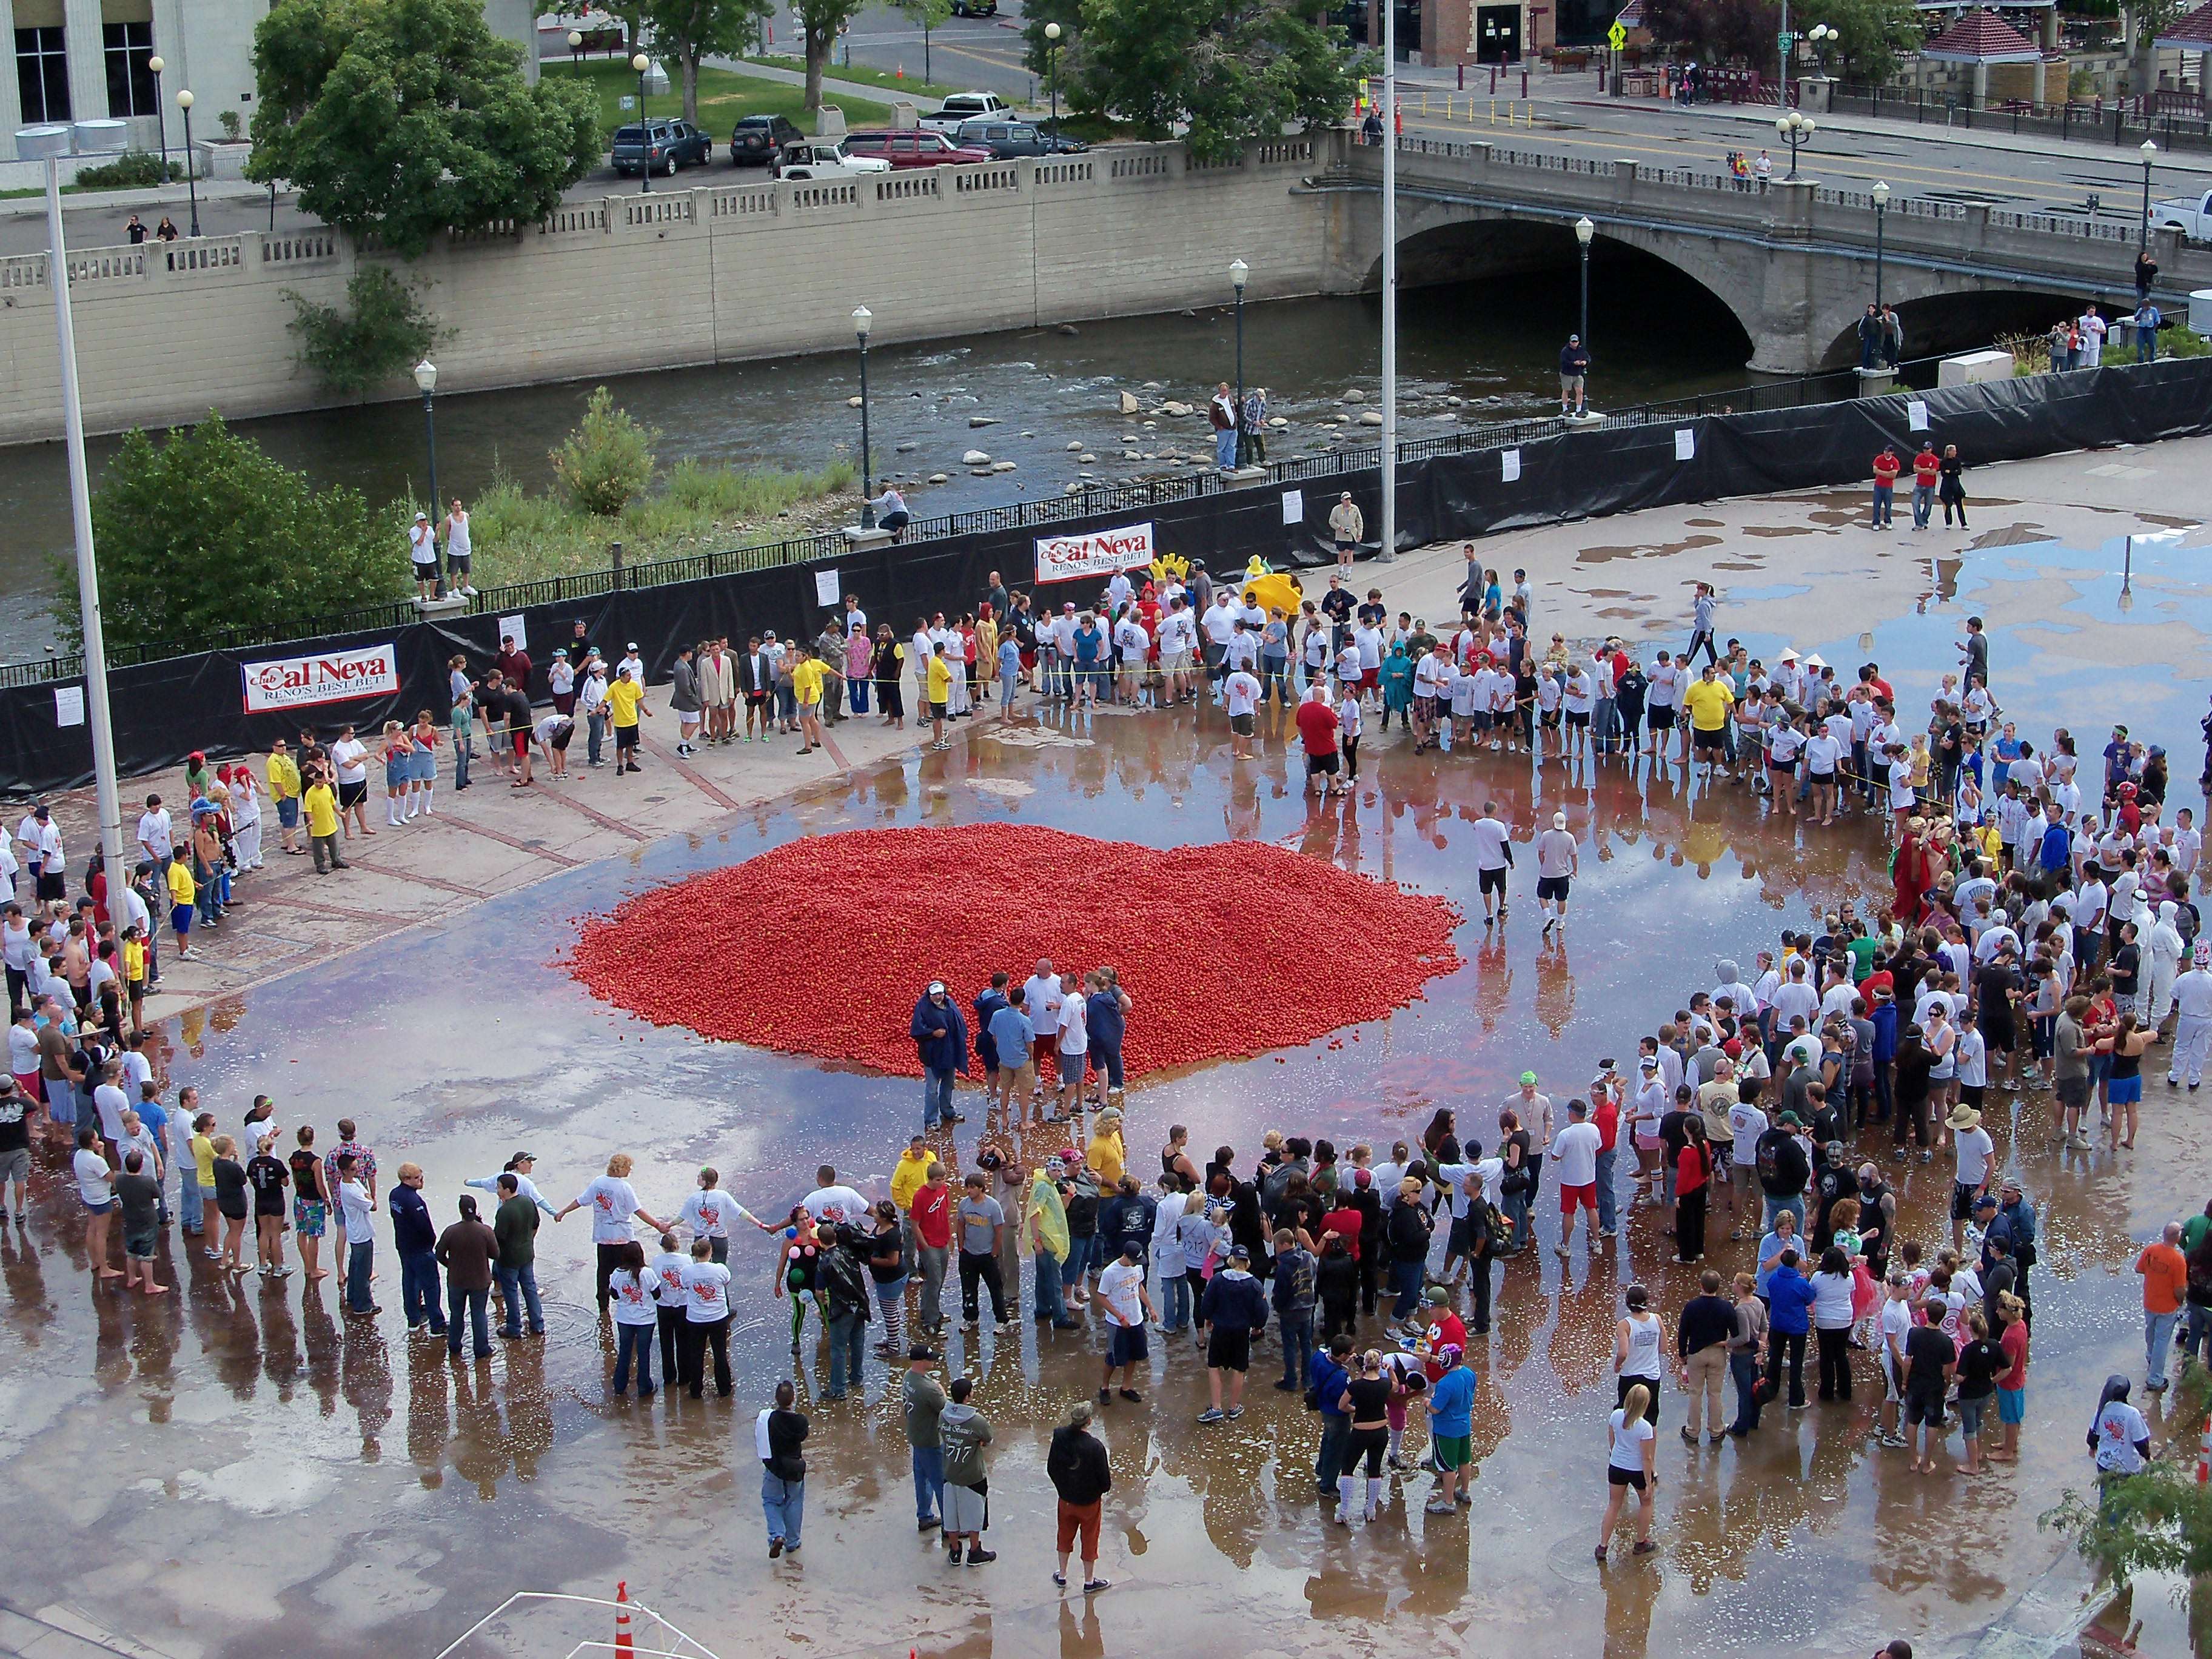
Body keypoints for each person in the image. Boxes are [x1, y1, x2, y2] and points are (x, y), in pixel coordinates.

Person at [1047, 1398, 1113, 1593]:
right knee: (1090, 1538)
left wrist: (1062, 1488)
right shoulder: (1095, 1447)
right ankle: (1089, 1581)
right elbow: (1105, 1482)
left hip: (1065, 1500)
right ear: (1089, 1421)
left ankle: (1062, 1575)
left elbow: (1051, 1468)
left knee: (1065, 1535)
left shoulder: (1059, 1437)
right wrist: (1096, 1492)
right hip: (1089, 1504)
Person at [1198, 1243, 1265, 1423]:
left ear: (1231, 1259)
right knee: (1239, 1369)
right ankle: (1234, 1406)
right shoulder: (1254, 1284)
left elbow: (1206, 1305)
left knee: (1214, 1367)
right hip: (1242, 1332)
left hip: (1221, 1330)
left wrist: (1208, 1318)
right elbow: (1261, 1310)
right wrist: (1258, 1326)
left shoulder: (1219, 1280)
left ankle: (1216, 1407)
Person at [1598, 1381, 1659, 1561]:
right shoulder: (1645, 1427)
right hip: (1637, 1470)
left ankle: (1603, 1546)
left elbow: (1612, 1441)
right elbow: (1646, 1458)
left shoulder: (1616, 1416)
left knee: (1613, 1505)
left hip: (1617, 1467)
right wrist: (1649, 1482)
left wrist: (1614, 1455)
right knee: (1646, 1503)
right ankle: (1640, 1542)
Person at [939, 1374, 996, 1565]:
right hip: (973, 1475)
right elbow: (988, 1439)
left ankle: (955, 1551)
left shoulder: (943, 1416)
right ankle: (974, 1551)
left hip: (950, 1472)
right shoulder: (976, 1421)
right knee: (975, 1513)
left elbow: (942, 1432)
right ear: (969, 1396)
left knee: (951, 1514)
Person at [1097, 1238, 1154, 1404]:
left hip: (1136, 1318)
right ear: (1125, 1256)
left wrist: (1150, 1307)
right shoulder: (1110, 1273)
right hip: (1117, 1323)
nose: (1136, 1264)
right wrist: (1119, 1316)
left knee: (1134, 1355)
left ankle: (1126, 1387)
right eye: (1134, 1260)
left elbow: (1139, 1286)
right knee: (1113, 1357)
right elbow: (1101, 1296)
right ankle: (1105, 1387)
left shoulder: (1137, 1267)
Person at [1904, 1296, 1957, 1473]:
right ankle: (1927, 1463)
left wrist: (1905, 1381)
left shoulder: (1914, 1334)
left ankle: (1912, 1460)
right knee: (1932, 1425)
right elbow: (1946, 1371)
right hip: (1934, 1386)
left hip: (1915, 1383)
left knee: (1912, 1421)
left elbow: (1908, 1361)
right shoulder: (1946, 1342)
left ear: (1926, 1313)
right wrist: (1947, 1386)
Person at [759, 1379, 809, 1559]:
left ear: (776, 1398)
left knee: (771, 1501)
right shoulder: (801, 1421)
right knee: (794, 1501)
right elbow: (802, 1436)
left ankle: (777, 1535)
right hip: (795, 1468)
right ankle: (793, 1542)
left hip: (775, 1468)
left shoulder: (770, 1418)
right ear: (793, 1399)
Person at [1425, 1342, 1477, 1514]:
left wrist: (1427, 1403)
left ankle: (1448, 1502)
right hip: (1464, 1425)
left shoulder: (1445, 1383)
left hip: (1446, 1430)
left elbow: (1436, 1409)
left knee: (1447, 1466)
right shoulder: (1470, 1374)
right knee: (1464, 1460)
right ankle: (1465, 1491)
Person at [494, 1171, 546, 1339]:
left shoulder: (505, 1211)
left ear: (507, 1190)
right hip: (527, 1253)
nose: (497, 1190)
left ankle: (514, 1327)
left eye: (499, 1187)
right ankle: (537, 1324)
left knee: (510, 1292)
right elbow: (536, 1224)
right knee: (530, 1288)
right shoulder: (528, 1201)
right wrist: (529, 1240)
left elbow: (499, 1238)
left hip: (509, 1258)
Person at [910, 980, 969, 1131]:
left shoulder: (950, 1004)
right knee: (932, 1088)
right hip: (932, 1055)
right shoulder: (922, 1007)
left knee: (949, 1084)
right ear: (929, 995)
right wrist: (932, 1033)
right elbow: (917, 1030)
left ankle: (948, 1111)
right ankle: (930, 1119)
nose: (938, 997)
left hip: (950, 1052)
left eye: (940, 994)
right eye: (935, 995)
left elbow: (959, 1023)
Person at [680, 1236, 734, 1398]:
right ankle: (724, 1388)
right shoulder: (720, 1269)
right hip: (718, 1317)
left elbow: (684, 1285)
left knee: (696, 1354)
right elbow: (727, 1281)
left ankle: (696, 1390)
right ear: (710, 1252)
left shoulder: (688, 1271)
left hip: (696, 1318)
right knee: (720, 1353)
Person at [2136, 1221, 2187, 1392]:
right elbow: (2180, 1289)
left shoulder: (2151, 1250)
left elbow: (2140, 1269)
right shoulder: (2178, 1260)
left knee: (2150, 1330)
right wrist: (2180, 1302)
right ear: (2177, 1237)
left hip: (2149, 1301)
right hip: (2167, 1307)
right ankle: (2155, 1379)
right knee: (2162, 1341)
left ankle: (2150, 1357)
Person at [608, 1239, 659, 1396]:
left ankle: (619, 1385)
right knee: (644, 1353)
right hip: (645, 1320)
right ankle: (644, 1386)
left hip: (625, 1319)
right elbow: (657, 1295)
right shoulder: (648, 1273)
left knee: (625, 1351)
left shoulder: (617, 1273)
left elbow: (615, 1296)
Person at [1559, 334, 1590, 417]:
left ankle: (1579, 410)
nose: (1574, 343)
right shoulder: (1565, 351)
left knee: (1580, 391)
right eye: (1573, 342)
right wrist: (1573, 363)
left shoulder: (1581, 350)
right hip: (1567, 374)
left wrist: (1585, 362)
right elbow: (1563, 362)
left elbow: (1588, 358)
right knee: (1566, 390)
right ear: (1570, 342)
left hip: (1577, 374)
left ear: (1578, 342)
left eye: (1576, 342)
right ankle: (1565, 409)